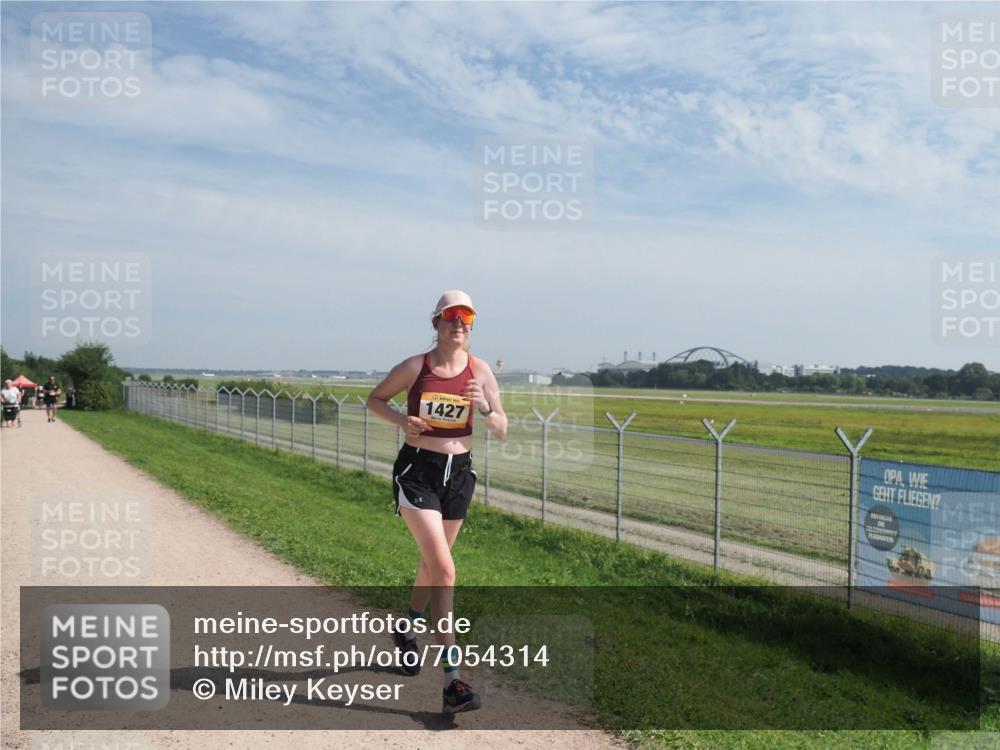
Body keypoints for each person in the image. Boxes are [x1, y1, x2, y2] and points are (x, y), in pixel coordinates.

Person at [367, 290, 507, 715]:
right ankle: (453, 681)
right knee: (445, 567)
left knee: (433, 565)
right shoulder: (416, 367)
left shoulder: (481, 371)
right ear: (437, 323)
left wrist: (485, 408)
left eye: (466, 318)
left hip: (459, 476)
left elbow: (501, 428)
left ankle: (407, 629)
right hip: (418, 472)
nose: (459, 324)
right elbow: (374, 399)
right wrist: (401, 420)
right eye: (451, 317)